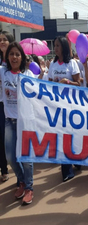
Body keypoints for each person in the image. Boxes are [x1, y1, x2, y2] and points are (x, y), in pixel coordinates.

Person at [0, 42, 35, 204]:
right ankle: (21, 181)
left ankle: (29, 188)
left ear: (22, 57)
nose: (14, 57)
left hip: (25, 122)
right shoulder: (3, 73)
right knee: (10, 157)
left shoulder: (29, 75)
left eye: (17, 54)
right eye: (11, 54)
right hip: (9, 122)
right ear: (7, 57)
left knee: (27, 159)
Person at [47, 36, 81, 182]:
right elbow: (48, 83)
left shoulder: (71, 63)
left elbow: (79, 83)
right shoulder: (53, 65)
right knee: (61, 136)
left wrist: (66, 82)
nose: (55, 48)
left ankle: (77, 158)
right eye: (54, 45)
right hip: (57, 105)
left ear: (64, 48)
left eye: (58, 46)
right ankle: (66, 170)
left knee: (72, 135)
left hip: (71, 105)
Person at [0, 31, 14, 182]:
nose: (2, 42)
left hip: (10, 105)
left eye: (5, 39)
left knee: (9, 138)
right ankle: (3, 169)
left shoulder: (14, 60)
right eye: (0, 40)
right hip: (0, 103)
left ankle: (20, 175)